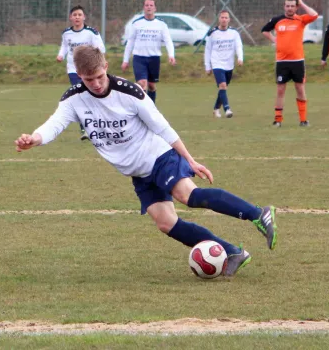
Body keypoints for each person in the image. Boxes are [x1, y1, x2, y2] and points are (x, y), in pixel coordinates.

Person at [15, 46, 277, 277]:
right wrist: (34, 139)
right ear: (79, 76)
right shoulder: (74, 99)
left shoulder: (129, 93)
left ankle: (258, 214)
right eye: (88, 79)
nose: (94, 84)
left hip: (159, 156)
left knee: (188, 195)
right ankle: (232, 252)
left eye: (98, 76)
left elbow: (163, 127)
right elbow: (54, 125)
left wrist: (190, 160)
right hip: (139, 173)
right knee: (166, 223)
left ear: (106, 67)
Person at [261, 0, 318, 127]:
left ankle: (303, 120)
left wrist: (302, 2)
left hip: (298, 61)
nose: (290, 8)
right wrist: (274, 40)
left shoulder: (301, 19)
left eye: (292, 6)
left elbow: (314, 15)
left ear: (296, 7)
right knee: (280, 90)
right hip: (282, 62)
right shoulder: (277, 20)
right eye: (287, 6)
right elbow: (264, 30)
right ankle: (278, 120)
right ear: (284, 6)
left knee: (300, 88)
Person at [57, 5, 106, 140]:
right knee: (80, 94)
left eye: (79, 15)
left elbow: (101, 48)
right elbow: (65, 46)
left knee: (92, 95)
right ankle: (85, 129)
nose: (77, 17)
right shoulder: (66, 33)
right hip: (74, 69)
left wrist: (91, 55)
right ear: (70, 18)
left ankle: (100, 123)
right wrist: (61, 55)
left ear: (84, 17)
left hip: (89, 69)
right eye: (74, 15)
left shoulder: (91, 32)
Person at [121, 0, 175, 104]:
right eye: (147, 5)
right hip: (139, 58)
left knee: (151, 85)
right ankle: (143, 108)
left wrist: (171, 55)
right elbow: (130, 42)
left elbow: (168, 41)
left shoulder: (161, 24)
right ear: (143, 8)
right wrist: (125, 60)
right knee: (142, 84)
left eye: (151, 5)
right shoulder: (136, 23)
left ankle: (151, 107)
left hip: (154, 58)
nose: (149, 7)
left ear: (155, 8)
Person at [204, 10, 243, 118]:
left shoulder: (234, 33)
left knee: (223, 88)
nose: (224, 19)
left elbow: (238, 46)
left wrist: (240, 57)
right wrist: (208, 66)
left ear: (229, 20)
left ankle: (216, 109)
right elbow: (207, 50)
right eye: (222, 17)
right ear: (219, 19)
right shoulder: (213, 33)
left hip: (229, 64)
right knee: (223, 85)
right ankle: (227, 109)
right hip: (217, 63)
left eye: (226, 18)